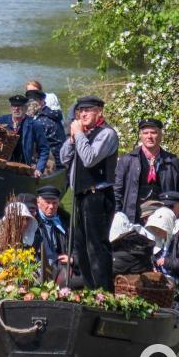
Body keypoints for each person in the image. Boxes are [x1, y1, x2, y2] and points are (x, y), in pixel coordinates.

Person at [58, 95, 119, 291]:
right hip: (81, 195)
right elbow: (63, 158)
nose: (83, 114)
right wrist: (72, 138)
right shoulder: (81, 134)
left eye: (88, 110)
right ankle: (90, 290)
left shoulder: (106, 134)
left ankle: (104, 292)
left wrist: (79, 135)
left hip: (98, 195)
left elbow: (89, 158)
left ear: (99, 112)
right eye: (81, 111)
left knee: (96, 246)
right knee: (81, 246)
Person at [113, 119, 179, 227]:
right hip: (134, 218)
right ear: (140, 136)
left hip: (164, 217)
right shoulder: (127, 160)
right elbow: (117, 192)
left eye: (153, 132)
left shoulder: (172, 161)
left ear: (161, 135)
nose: (149, 136)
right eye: (145, 133)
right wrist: (115, 217)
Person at [30, 186, 82, 288]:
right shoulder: (32, 221)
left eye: (54, 203)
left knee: (75, 281)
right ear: (38, 202)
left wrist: (73, 259)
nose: (51, 206)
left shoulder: (65, 221)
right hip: (39, 267)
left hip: (62, 267)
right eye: (47, 202)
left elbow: (77, 245)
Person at [0, 94, 50, 175]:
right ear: (10, 108)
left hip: (24, 166)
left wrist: (39, 169)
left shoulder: (34, 124)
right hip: (3, 164)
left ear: (25, 108)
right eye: (14, 106)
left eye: (20, 106)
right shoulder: (1, 120)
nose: (16, 109)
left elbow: (44, 148)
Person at [26, 89, 65, 165]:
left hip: (52, 163)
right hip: (60, 159)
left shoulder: (41, 121)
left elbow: (30, 144)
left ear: (41, 101)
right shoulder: (50, 114)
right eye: (28, 103)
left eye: (32, 103)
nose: (29, 106)